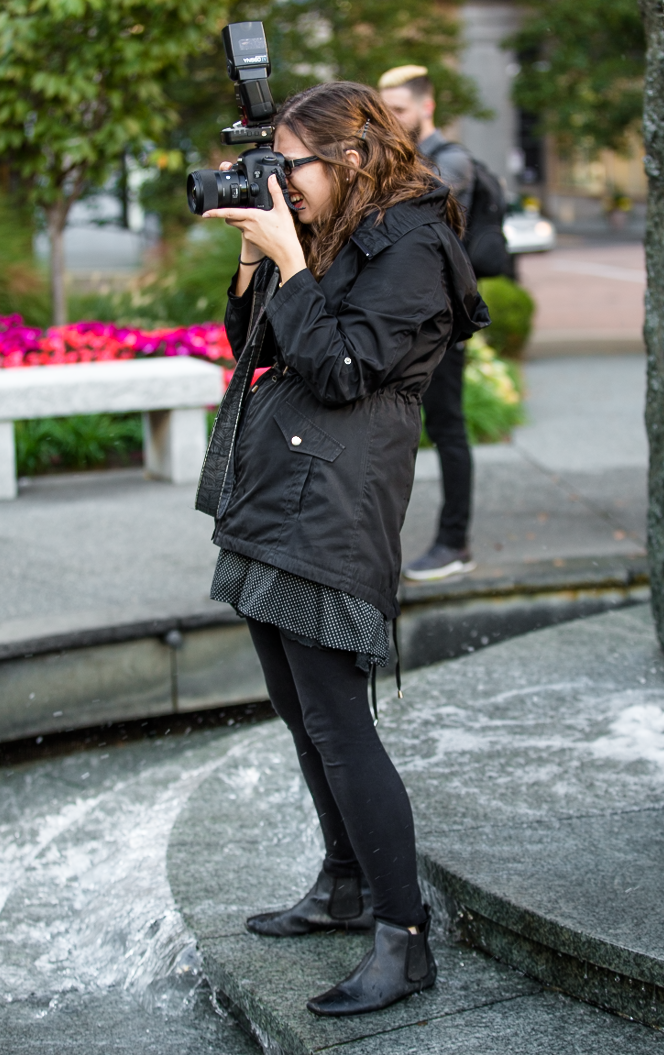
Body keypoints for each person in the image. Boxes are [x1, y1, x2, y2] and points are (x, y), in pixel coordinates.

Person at [199, 80, 487, 1018]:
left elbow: (342, 368)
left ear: (354, 155)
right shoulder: (333, 231)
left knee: (337, 718)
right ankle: (343, 883)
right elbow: (258, 347)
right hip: (281, 484)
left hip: (336, 497)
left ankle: (403, 939)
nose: (284, 181)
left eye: (295, 164)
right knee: (297, 706)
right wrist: (258, 262)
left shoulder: (411, 242)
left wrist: (291, 259)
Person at [379, 65, 510, 582]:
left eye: (400, 110)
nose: (389, 119)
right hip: (406, 321)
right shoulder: (402, 160)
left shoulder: (450, 163)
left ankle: (454, 542)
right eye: (383, 110)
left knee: (448, 428)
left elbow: (416, 216)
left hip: (440, 324)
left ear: (426, 107)